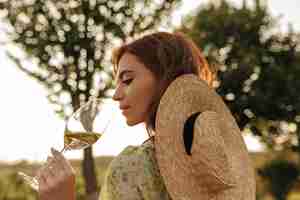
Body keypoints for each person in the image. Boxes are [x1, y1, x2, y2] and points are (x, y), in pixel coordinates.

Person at [37, 32, 256, 200]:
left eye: (128, 80)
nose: (115, 95)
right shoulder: (225, 168)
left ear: (164, 79)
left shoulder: (133, 166)